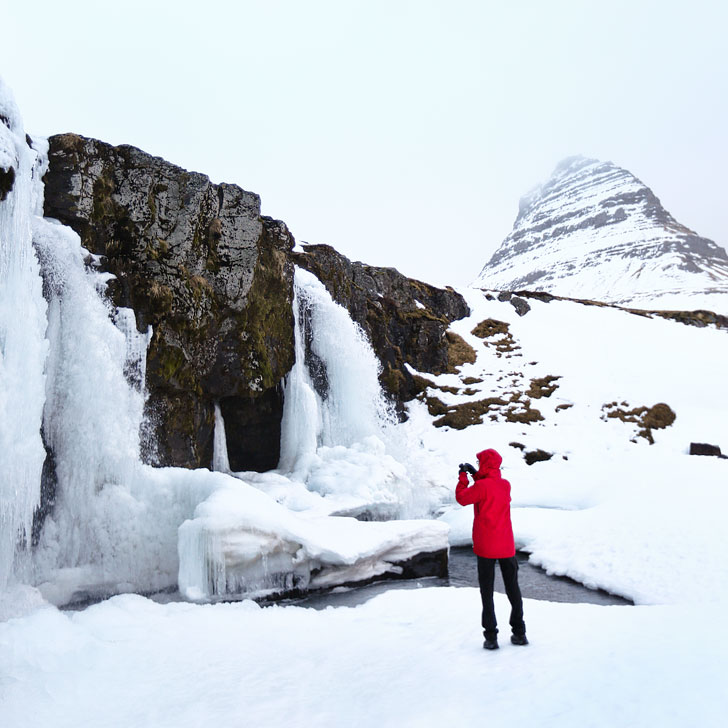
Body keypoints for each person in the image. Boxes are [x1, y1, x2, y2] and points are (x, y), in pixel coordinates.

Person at [456, 448, 527, 650]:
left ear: (485, 464)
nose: (478, 466)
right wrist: (476, 475)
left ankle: (491, 637)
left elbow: (463, 498)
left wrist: (463, 477)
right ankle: (519, 633)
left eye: (479, 463)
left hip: (486, 547)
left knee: (487, 593)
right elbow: (489, 486)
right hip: (506, 546)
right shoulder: (505, 485)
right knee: (513, 589)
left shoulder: (481, 487)